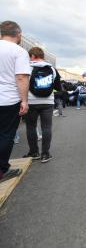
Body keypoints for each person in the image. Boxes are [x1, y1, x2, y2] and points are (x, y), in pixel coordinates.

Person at [0, 20, 31, 182]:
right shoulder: (18, 51)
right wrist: (24, 101)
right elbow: (21, 77)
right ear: (18, 34)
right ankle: (2, 170)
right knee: (6, 135)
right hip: (8, 100)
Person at [23, 47, 61, 163]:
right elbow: (58, 87)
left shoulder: (27, 67)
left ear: (33, 56)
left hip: (31, 101)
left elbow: (22, 84)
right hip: (47, 102)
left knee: (31, 127)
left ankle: (34, 152)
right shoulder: (52, 69)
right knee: (46, 127)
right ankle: (45, 154)